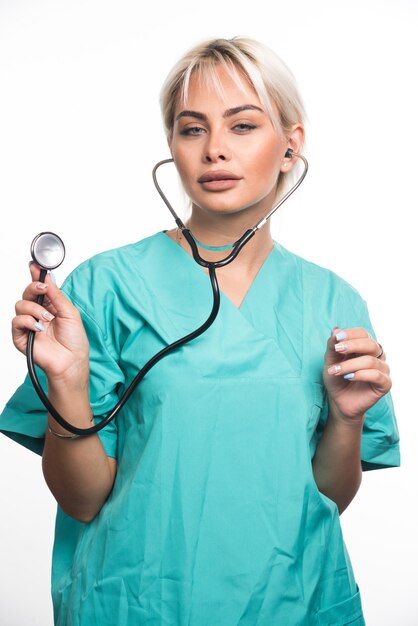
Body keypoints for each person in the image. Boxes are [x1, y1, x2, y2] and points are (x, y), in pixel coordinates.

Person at [0, 37, 400, 625]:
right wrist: (67, 382)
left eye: (242, 126)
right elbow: (82, 499)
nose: (215, 150)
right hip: (137, 605)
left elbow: (324, 502)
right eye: (192, 129)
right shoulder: (106, 288)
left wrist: (345, 419)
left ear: (291, 146)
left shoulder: (334, 303)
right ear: (172, 146)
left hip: (294, 604)